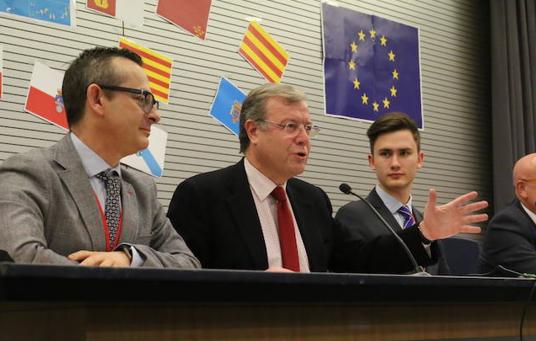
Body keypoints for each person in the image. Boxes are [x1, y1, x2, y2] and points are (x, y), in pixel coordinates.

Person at [167, 83, 487, 273]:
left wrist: (424, 233)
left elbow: (357, 261)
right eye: (290, 127)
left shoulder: (312, 199)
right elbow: (183, 282)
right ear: (253, 130)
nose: (304, 138)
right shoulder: (202, 195)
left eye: (307, 128)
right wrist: (256, 289)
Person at [0, 47, 200, 268]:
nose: (155, 115)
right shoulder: (28, 173)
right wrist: (108, 277)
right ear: (97, 99)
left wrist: (130, 258)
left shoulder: (143, 189)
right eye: (143, 99)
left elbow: (188, 263)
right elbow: (21, 258)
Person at [334, 112, 450, 274]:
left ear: (420, 159)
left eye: (404, 153)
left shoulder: (426, 221)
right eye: (385, 154)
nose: (395, 163)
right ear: (372, 161)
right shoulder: (352, 216)